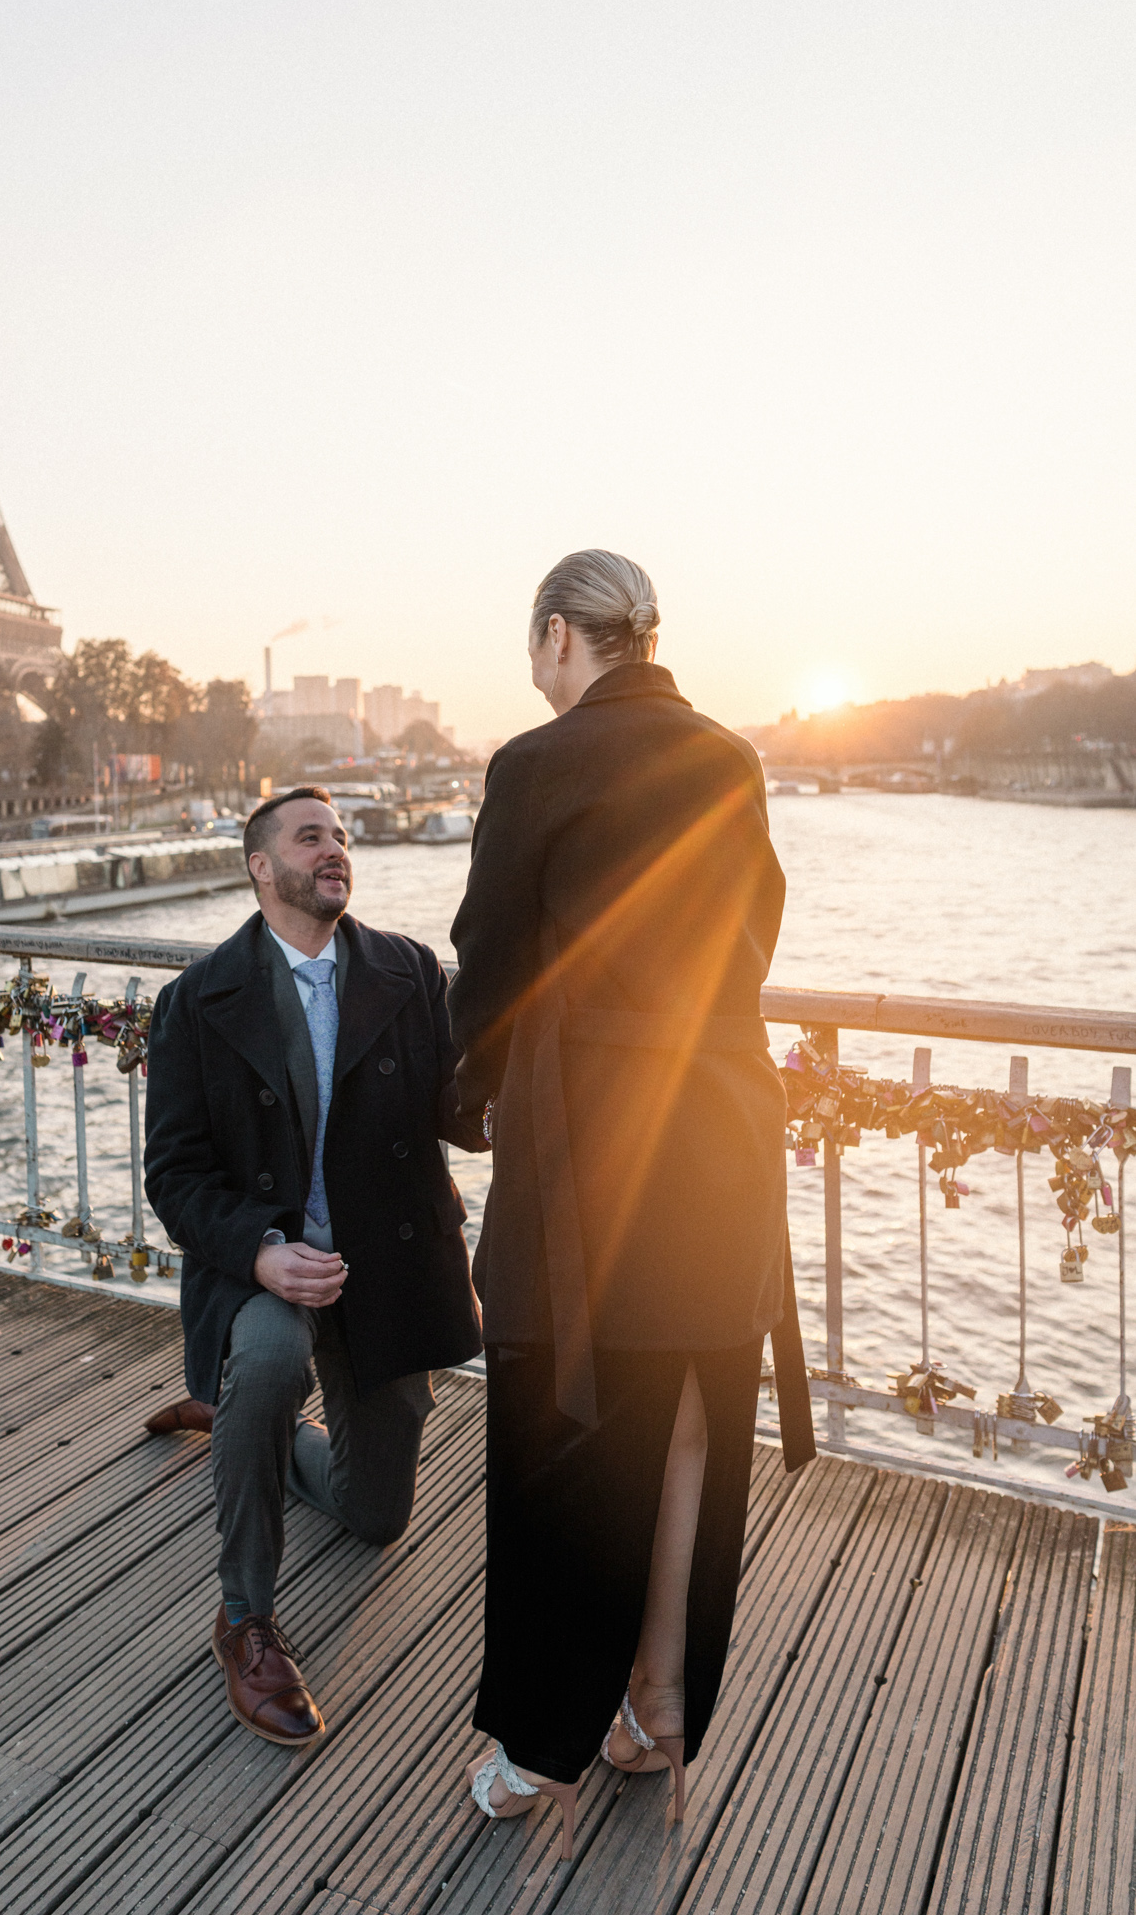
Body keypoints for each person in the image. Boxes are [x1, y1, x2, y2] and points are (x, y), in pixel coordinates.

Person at [449, 548, 814, 1858]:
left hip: (593, 1150)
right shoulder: (725, 756)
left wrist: (465, 1091)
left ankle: (538, 1748)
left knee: (562, 1430)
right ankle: (652, 1711)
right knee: (684, 1432)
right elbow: (752, 930)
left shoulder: (535, 765)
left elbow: (487, 955)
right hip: (719, 1126)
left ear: (558, 636)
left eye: (532, 649)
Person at [144, 786, 487, 1747]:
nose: (335, 849)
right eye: (311, 837)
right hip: (267, 1267)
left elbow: (460, 1108)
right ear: (261, 866)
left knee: (376, 1517)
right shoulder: (198, 999)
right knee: (263, 1362)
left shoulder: (409, 970)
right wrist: (259, 1253)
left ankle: (244, 1428)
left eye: (341, 837)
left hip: (386, 1267)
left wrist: (525, 1085)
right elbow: (173, 1174)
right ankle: (245, 1618)